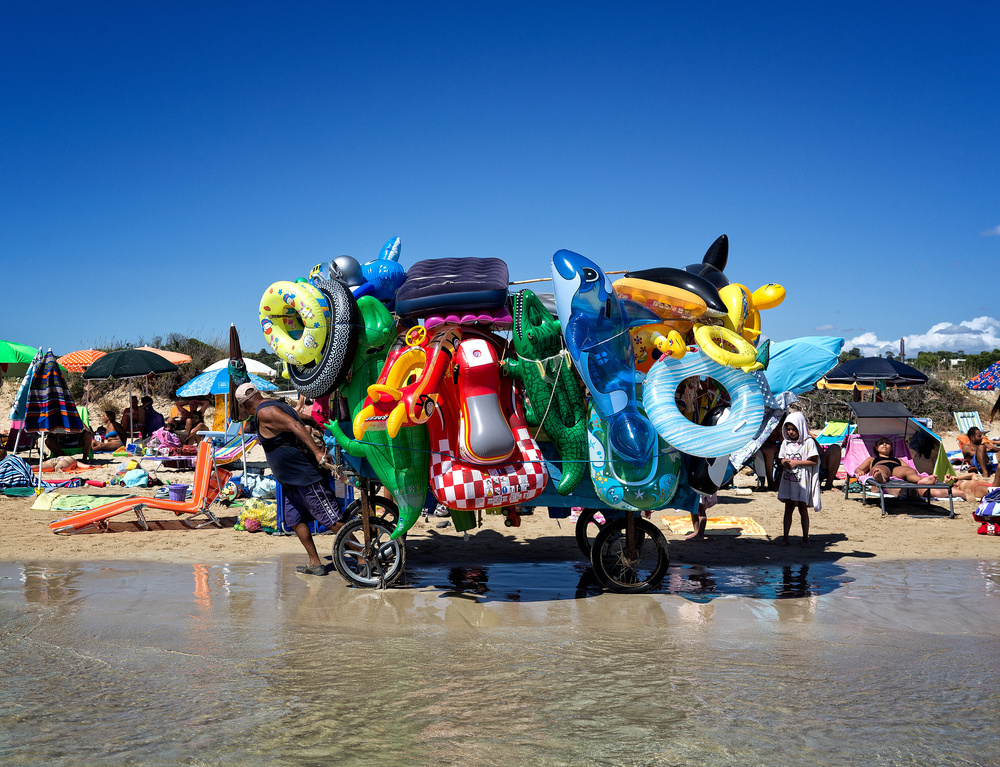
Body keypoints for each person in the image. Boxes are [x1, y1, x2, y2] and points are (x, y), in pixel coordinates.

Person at [237, 382, 344, 576]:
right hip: (289, 481)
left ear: (243, 405)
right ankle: (314, 562)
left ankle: (363, 557)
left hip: (304, 477)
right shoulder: (274, 406)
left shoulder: (265, 412)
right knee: (294, 519)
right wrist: (321, 432)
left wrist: (317, 451)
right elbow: (306, 419)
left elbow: (295, 425)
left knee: (331, 520)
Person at [776, 411, 820, 547]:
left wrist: (797, 463)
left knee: (802, 508)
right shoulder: (786, 443)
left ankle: (805, 538)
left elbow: (815, 461)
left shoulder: (808, 442)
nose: (790, 432)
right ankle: (785, 537)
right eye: (788, 429)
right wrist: (784, 463)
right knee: (788, 508)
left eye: (794, 429)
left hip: (802, 481)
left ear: (801, 427)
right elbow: (781, 457)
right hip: (788, 481)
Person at [855, 437, 939, 486]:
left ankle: (920, 480)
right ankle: (881, 478)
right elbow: (858, 469)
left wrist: (910, 471)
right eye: (881, 443)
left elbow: (908, 468)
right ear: (876, 448)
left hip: (896, 468)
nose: (884, 444)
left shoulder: (898, 459)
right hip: (881, 466)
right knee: (879, 469)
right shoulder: (871, 459)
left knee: (909, 471)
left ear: (891, 448)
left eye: (887, 443)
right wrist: (860, 471)